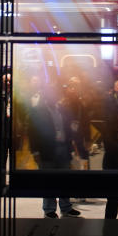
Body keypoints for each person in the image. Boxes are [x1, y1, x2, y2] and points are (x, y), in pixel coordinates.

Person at [27, 81, 80, 218]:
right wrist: (35, 151)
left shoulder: (62, 109)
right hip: (47, 150)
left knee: (64, 180)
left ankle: (66, 207)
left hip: (63, 148)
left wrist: (71, 147)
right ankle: (49, 209)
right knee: (48, 180)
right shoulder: (38, 111)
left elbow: (68, 129)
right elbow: (32, 132)